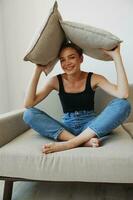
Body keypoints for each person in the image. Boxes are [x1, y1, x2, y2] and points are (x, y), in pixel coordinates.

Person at [23, 41, 131, 154]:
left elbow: (123, 94)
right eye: (62, 60)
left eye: (71, 57)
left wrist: (116, 56)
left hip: (91, 127)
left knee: (123, 104)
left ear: (81, 59)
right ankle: (82, 142)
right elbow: (28, 104)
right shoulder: (55, 81)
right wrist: (38, 70)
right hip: (66, 129)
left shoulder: (94, 78)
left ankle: (71, 143)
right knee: (28, 114)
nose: (67, 63)